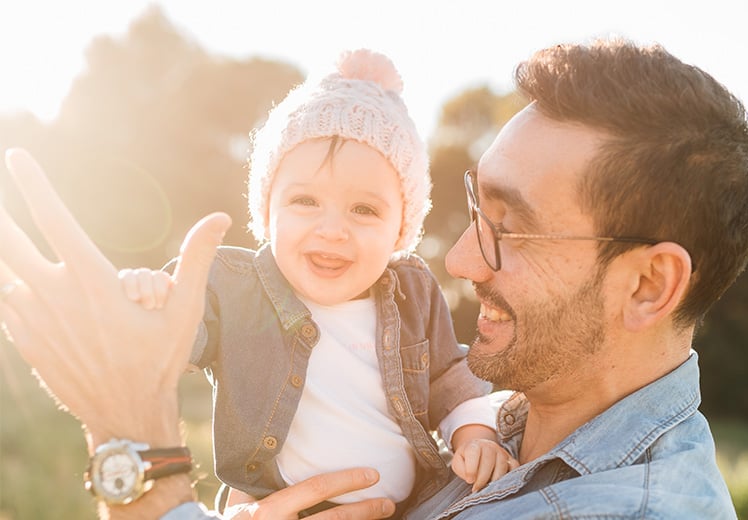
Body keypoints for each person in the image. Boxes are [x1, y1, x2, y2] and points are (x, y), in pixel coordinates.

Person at [0, 37, 748, 519]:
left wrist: (137, 455)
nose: (460, 259)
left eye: (511, 225)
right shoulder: (511, 419)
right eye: (474, 207)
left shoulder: (618, 509)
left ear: (647, 286)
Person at [116, 48, 511, 516]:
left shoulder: (412, 292)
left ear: (400, 230)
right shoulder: (234, 286)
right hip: (272, 507)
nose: (332, 230)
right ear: (268, 212)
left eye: (364, 210)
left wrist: (476, 435)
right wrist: (147, 301)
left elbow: (449, 378)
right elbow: (171, 340)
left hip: (403, 507)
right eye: (305, 201)